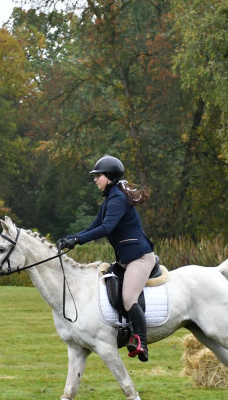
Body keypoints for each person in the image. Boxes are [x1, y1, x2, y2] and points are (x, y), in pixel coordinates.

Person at [58, 155, 156, 361]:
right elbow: (93, 227)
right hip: (125, 259)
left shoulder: (118, 199)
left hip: (139, 258)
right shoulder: (110, 200)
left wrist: (77, 239)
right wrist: (71, 238)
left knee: (129, 298)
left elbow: (106, 228)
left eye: (98, 176)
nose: (95, 180)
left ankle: (141, 342)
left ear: (109, 178)